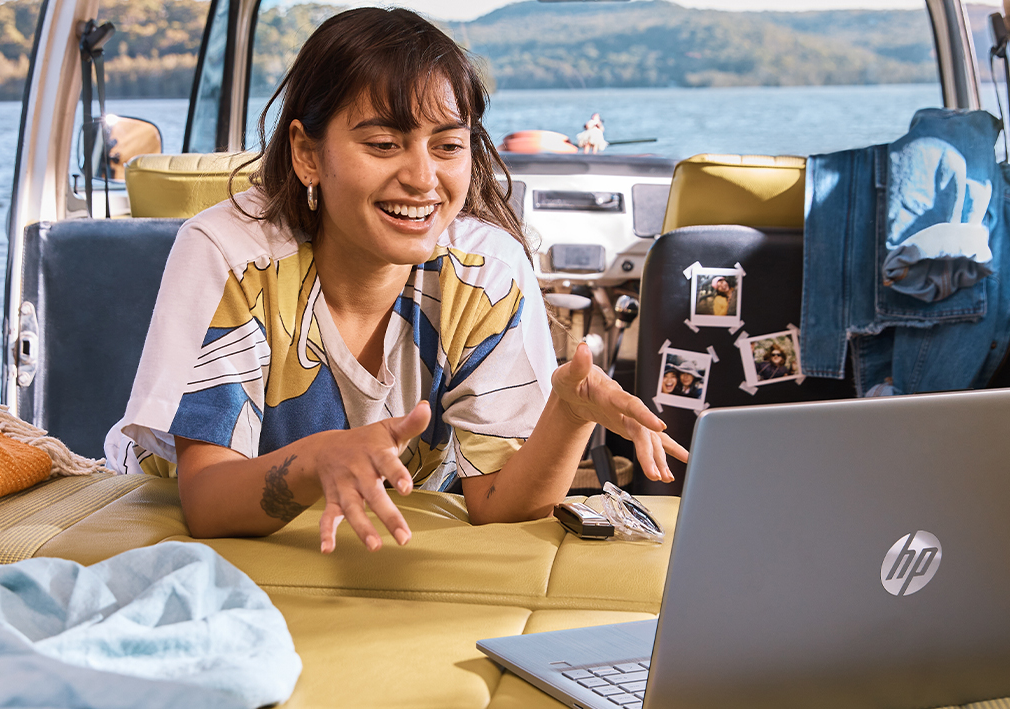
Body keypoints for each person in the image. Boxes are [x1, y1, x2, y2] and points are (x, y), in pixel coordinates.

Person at [104, 8, 686, 553]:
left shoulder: (487, 276)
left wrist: (567, 415)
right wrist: (315, 463)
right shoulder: (230, 256)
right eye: (384, 144)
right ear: (307, 153)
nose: (422, 178)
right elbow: (207, 504)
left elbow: (498, 507)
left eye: (449, 146)